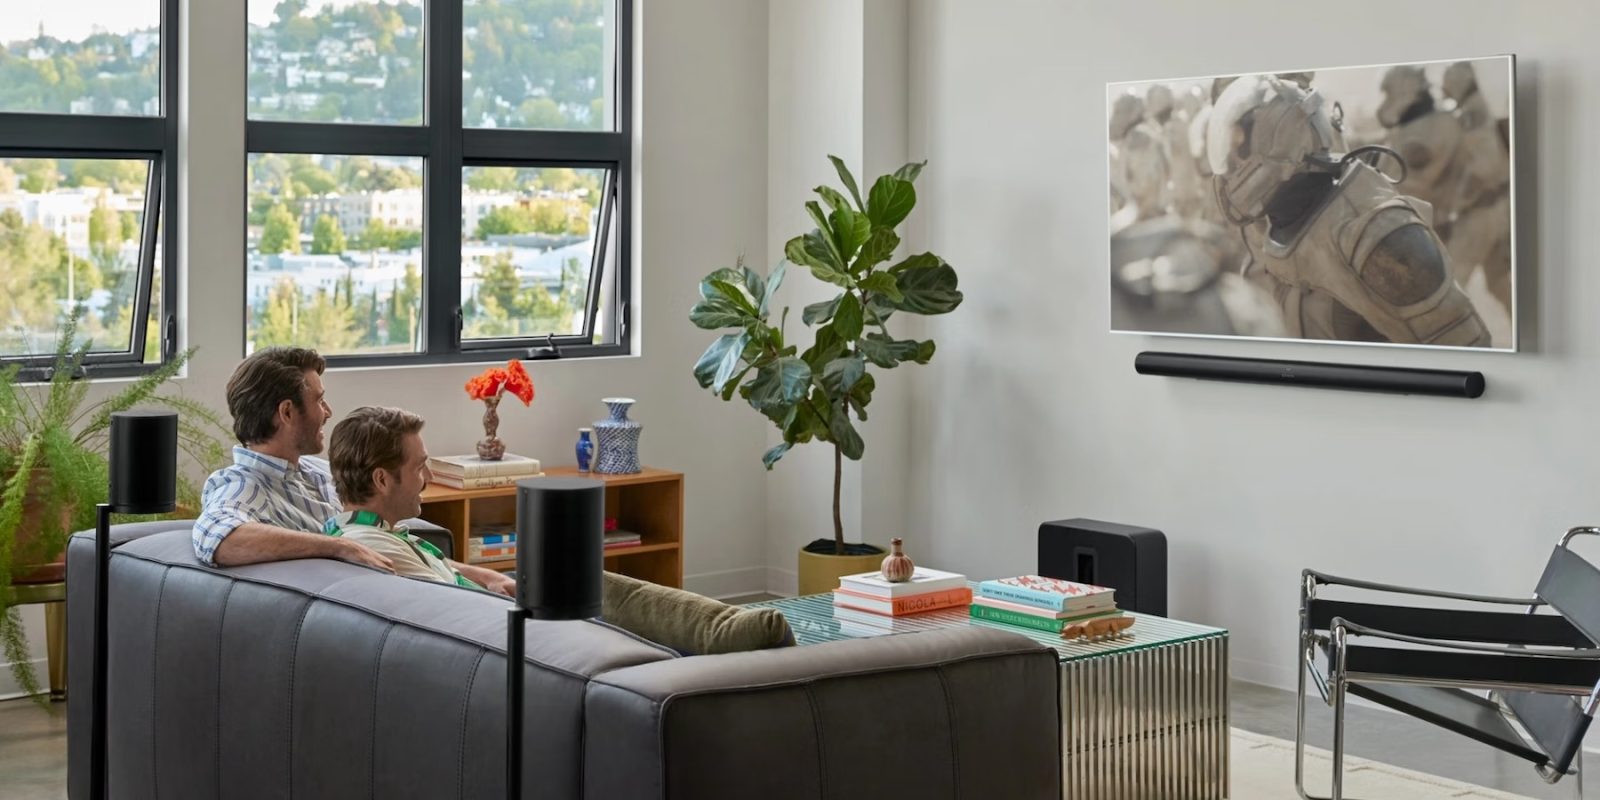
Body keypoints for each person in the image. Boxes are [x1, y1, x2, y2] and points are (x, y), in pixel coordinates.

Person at [1204, 74, 1490, 345]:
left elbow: (1465, 352)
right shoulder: (1278, 224)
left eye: (1240, 146)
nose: (1232, 168)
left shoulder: (1377, 236)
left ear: (1280, 135)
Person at [193, 347, 394, 569]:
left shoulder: (318, 470)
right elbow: (217, 538)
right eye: (319, 400)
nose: (328, 411)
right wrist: (340, 547)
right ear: (287, 412)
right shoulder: (242, 485)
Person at [324, 406, 516, 596]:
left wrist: (491, 578)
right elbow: (456, 606)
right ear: (382, 480)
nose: (429, 477)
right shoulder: (372, 546)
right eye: (419, 467)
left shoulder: (373, 532)